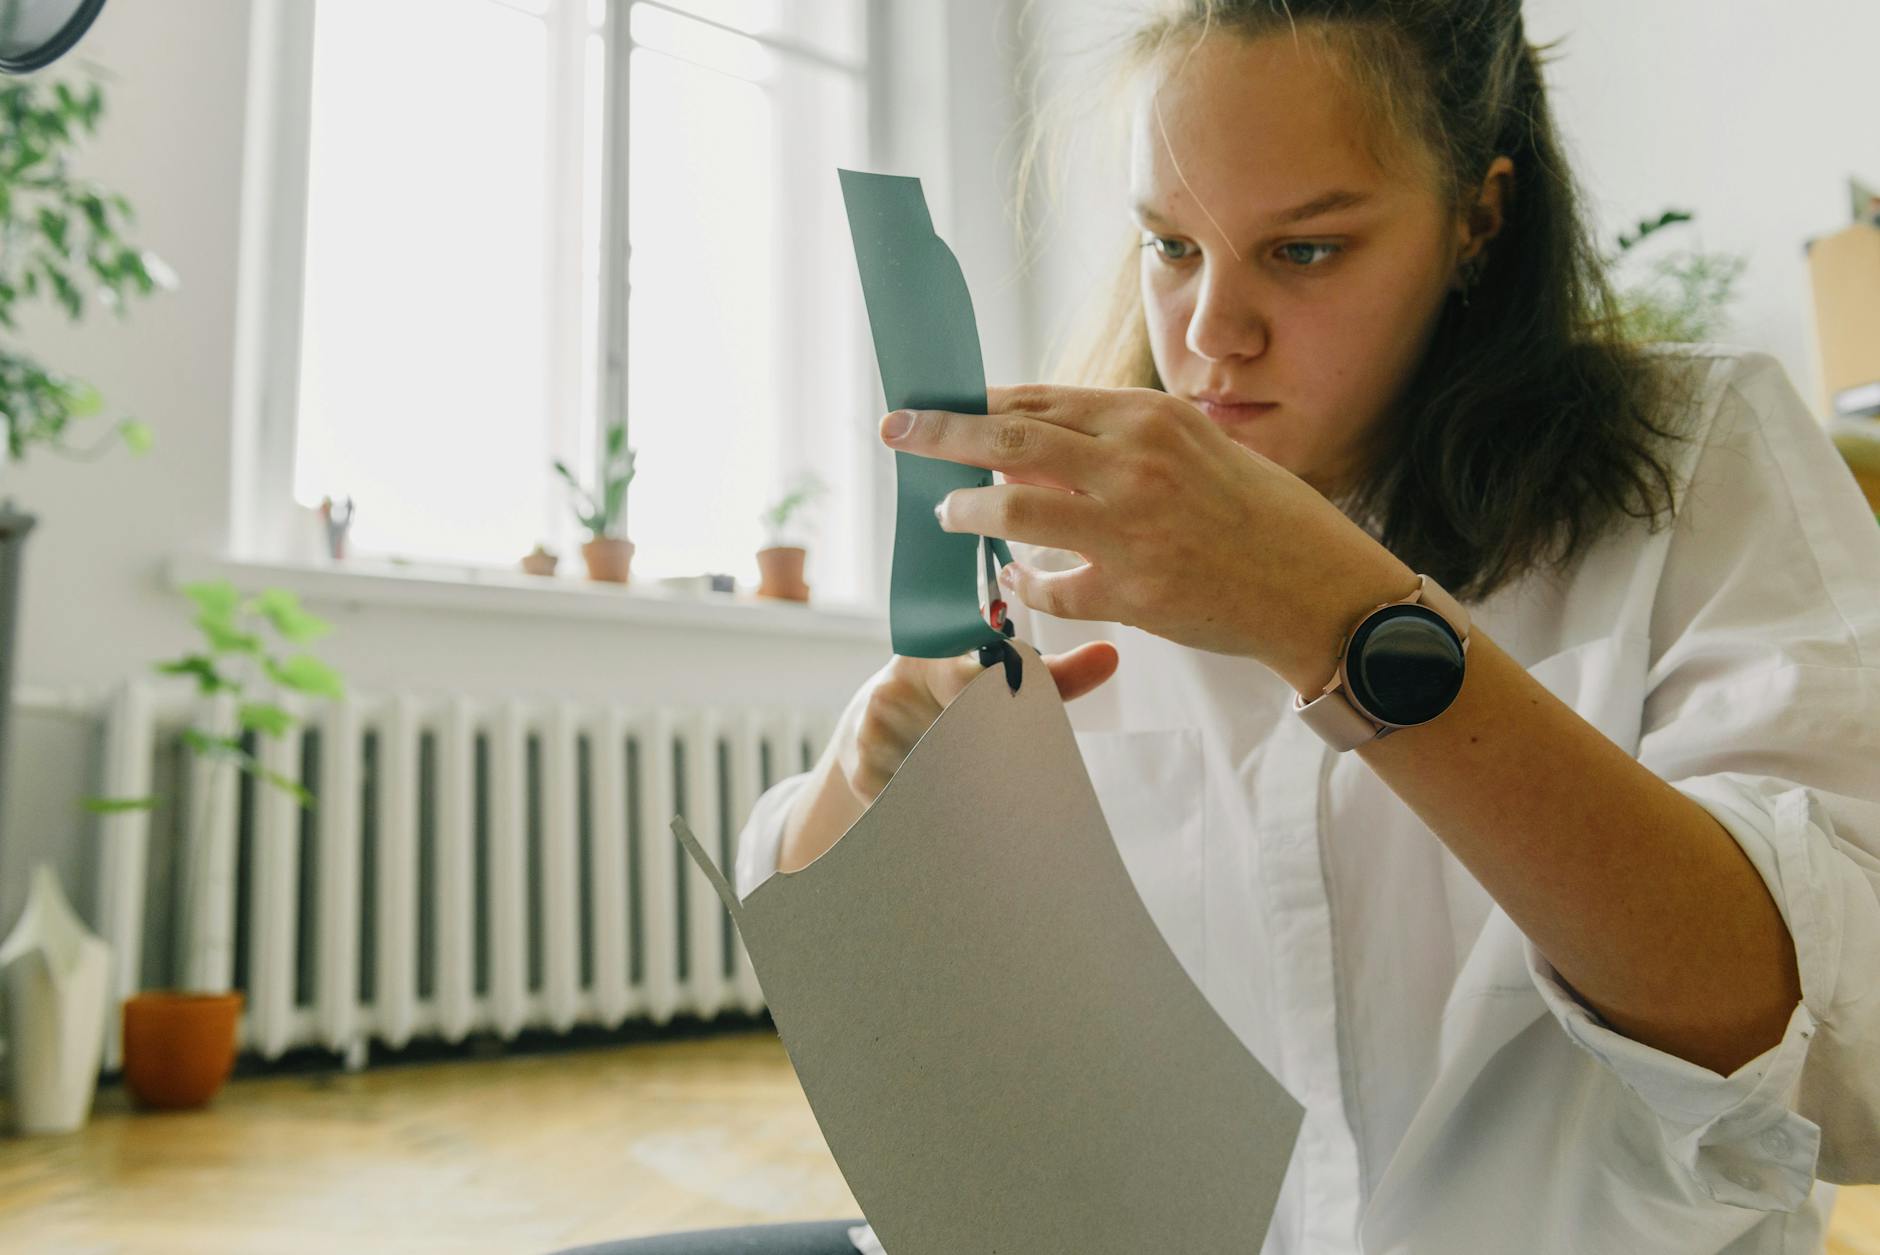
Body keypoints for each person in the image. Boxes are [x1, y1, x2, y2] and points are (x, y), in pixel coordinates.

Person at [573, 0, 1880, 1251]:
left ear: (1479, 214)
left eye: (1306, 250)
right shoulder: (1057, 532)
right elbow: (875, 995)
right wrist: (872, 788)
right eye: (1169, 246)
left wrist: (1338, 617)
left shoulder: (1696, 457)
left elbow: (1847, 1052)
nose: (1213, 332)